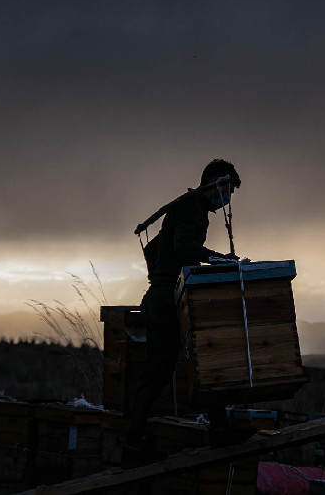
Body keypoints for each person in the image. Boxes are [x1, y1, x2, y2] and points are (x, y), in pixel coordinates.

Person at [123, 159, 245, 465]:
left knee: (163, 371)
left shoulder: (187, 207)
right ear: (216, 183)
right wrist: (219, 260)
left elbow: (159, 249)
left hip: (159, 297)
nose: (227, 197)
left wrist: (165, 276)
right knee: (203, 356)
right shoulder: (192, 207)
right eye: (227, 189)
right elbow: (182, 246)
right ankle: (217, 431)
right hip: (167, 301)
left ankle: (132, 444)